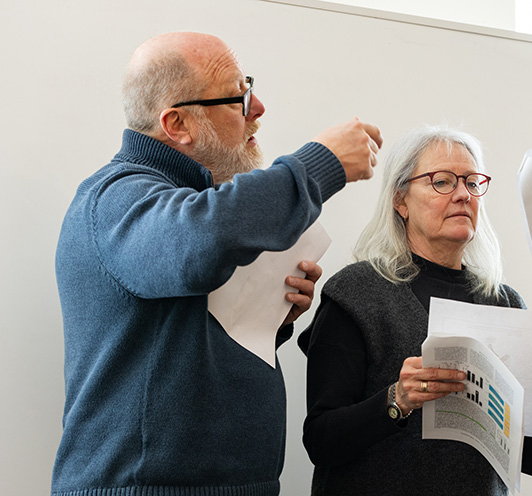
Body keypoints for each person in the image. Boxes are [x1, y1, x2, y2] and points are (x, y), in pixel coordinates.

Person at [51, 32, 382, 496]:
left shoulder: (191, 206)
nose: (258, 108)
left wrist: (271, 314)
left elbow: (186, 324)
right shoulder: (115, 197)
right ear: (177, 123)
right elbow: (202, 241)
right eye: (239, 97)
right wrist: (320, 164)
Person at [297, 125, 532, 495]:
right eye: (442, 182)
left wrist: (528, 408)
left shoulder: (506, 304)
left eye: (472, 182)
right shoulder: (355, 293)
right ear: (400, 200)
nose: (463, 195)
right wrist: (397, 400)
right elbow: (321, 442)